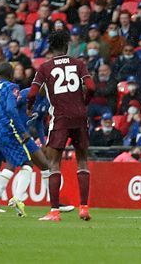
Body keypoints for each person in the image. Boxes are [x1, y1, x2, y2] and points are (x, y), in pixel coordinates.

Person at [0, 62, 57, 217]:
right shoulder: (12, 88)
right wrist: (22, 132)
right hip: (6, 129)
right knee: (27, 164)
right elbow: (10, 109)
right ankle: (17, 199)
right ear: (11, 75)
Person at [27, 28, 95, 221]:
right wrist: (84, 102)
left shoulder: (45, 67)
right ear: (67, 46)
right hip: (80, 116)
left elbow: (32, 93)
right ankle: (84, 208)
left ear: (51, 48)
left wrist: (29, 107)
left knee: (54, 163)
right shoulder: (79, 64)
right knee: (82, 160)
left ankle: (54, 211)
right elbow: (91, 87)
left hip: (61, 117)